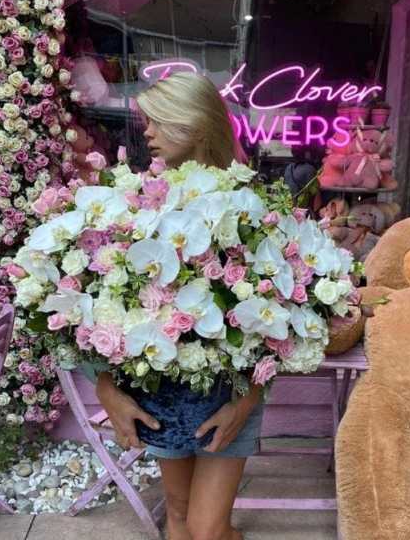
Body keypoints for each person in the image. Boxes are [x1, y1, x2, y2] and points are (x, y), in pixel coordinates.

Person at [95, 72, 263, 540]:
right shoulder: (135, 206)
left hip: (230, 394)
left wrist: (246, 403)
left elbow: (279, 327)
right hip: (162, 394)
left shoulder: (249, 207)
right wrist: (106, 389)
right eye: (147, 121)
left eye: (159, 121)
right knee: (178, 512)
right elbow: (94, 311)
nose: (147, 133)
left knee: (207, 530)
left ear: (197, 124)